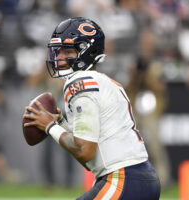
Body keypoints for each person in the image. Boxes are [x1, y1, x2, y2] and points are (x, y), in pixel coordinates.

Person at [23, 17, 160, 199]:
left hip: (123, 178)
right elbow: (90, 161)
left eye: (68, 51)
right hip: (139, 177)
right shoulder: (104, 82)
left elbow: (85, 151)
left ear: (87, 53)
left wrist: (50, 127)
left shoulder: (80, 82)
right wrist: (61, 124)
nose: (59, 57)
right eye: (58, 51)